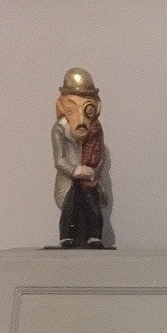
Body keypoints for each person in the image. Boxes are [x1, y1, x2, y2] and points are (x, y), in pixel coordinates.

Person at [52, 68, 105, 248]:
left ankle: (94, 235)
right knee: (73, 200)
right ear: (61, 107)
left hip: (90, 181)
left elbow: (101, 158)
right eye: (71, 108)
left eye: (87, 108)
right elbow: (59, 160)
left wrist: (92, 172)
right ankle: (67, 234)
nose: (81, 119)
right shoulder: (59, 130)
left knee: (91, 201)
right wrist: (76, 171)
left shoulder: (96, 131)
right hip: (70, 182)